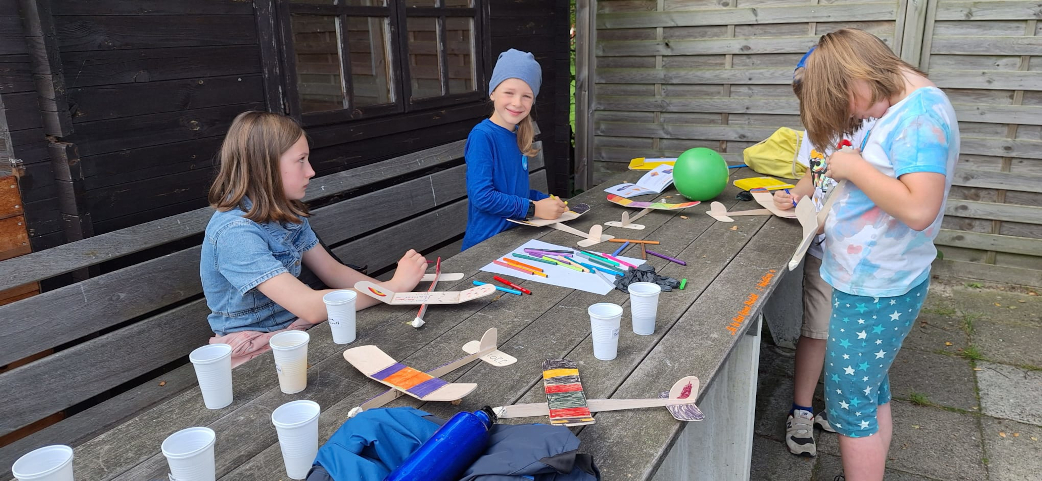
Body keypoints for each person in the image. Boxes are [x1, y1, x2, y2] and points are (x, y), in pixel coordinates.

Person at [796, 29, 959, 480]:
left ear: (858, 76)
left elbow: (919, 209)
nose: (853, 115)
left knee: (851, 409)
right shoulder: (907, 105)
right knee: (870, 393)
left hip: (875, 287)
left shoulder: (918, 117)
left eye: (847, 103)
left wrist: (855, 167)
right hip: (875, 279)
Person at [201, 111, 428, 367]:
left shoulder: (284, 212)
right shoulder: (235, 233)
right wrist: (393, 289)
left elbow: (332, 270)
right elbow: (309, 306)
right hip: (255, 348)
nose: (311, 171)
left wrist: (390, 290)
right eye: (301, 160)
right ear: (265, 166)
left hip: (296, 331)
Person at [772, 48, 875, 458]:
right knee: (816, 330)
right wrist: (793, 195)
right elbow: (811, 178)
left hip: (864, 256)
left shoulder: (875, 129)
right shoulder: (816, 130)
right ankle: (801, 409)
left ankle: (843, 404)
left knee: (853, 338)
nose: (816, 114)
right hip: (821, 251)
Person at [461, 49, 566, 251]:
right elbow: (482, 197)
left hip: (515, 239)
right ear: (493, 93)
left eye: (526, 96)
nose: (517, 103)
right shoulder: (482, 136)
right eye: (509, 93)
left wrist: (544, 200)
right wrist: (534, 208)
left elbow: (514, 191)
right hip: (484, 248)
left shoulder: (518, 134)